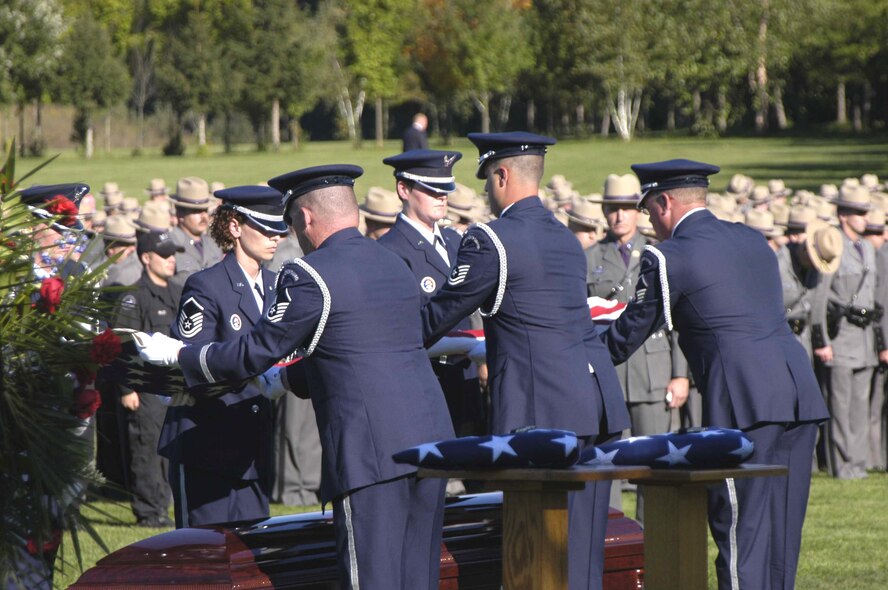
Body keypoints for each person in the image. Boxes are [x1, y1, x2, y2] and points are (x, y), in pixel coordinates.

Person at [137, 164, 455, 590]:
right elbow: (358, 348)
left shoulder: (310, 274)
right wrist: (285, 382)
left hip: (370, 452)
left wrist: (181, 353)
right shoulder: (393, 262)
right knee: (419, 577)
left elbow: (253, 352)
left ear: (305, 218)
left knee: (374, 579)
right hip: (429, 439)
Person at [604, 159, 829, 590]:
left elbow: (627, 334)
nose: (647, 218)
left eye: (649, 208)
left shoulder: (670, 255)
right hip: (796, 393)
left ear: (665, 201)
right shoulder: (750, 239)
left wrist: (579, 355)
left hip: (743, 400)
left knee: (739, 529)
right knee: (781, 532)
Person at [420, 132, 630, 590]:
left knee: (539, 553)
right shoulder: (564, 238)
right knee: (582, 552)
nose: (484, 192)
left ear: (502, 175)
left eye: (486, 180)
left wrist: (383, 333)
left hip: (543, 410)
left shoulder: (491, 240)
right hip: (591, 398)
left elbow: (439, 313)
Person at [159, 186, 290, 527]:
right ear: (235, 227)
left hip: (253, 446)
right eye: (264, 228)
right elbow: (192, 362)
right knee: (203, 559)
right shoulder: (206, 285)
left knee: (250, 558)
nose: (275, 237)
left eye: (279, 229)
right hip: (207, 444)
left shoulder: (279, 286)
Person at [585, 173, 688, 523]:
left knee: (654, 461)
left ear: (638, 211)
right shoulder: (589, 257)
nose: (619, 216)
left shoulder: (660, 252)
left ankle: (651, 533)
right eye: (613, 208)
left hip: (653, 370)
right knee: (607, 462)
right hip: (608, 371)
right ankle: (613, 537)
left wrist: (680, 374)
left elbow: (677, 319)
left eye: (627, 208)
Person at [378, 149, 484, 439]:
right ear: (404, 189)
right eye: (430, 189)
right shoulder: (389, 251)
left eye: (445, 189)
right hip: (426, 380)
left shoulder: (453, 241)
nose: (442, 196)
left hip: (466, 376)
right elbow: (402, 330)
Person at [114, 230, 184, 528]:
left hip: (174, 387)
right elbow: (121, 345)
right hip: (144, 388)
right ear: (145, 258)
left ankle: (164, 506)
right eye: (164, 255)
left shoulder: (178, 292)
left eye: (173, 254)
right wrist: (127, 387)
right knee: (146, 446)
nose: (171, 260)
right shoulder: (134, 297)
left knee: (170, 448)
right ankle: (147, 511)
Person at [817, 185, 885, 479]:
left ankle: (858, 463)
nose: (864, 218)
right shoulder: (834, 245)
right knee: (840, 405)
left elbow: (876, 295)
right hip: (841, 335)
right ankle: (842, 466)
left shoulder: (868, 248)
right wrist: (822, 339)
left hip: (865, 336)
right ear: (844, 215)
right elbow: (821, 297)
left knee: (860, 404)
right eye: (859, 212)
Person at [168, 176, 223, 280]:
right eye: (196, 211)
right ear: (180, 214)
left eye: (205, 210)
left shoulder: (213, 244)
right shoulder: (170, 245)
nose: (204, 217)